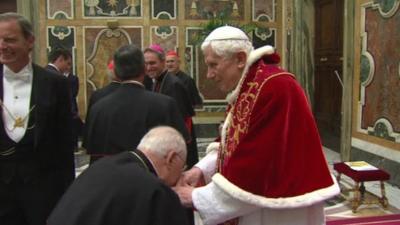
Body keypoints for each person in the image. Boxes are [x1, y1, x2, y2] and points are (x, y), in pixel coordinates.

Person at [173, 25, 340, 225]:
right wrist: (200, 169)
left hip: (279, 209)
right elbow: (234, 142)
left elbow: (256, 165)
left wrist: (197, 197)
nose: (209, 74)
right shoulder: (249, 85)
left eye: (213, 64)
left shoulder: (275, 87)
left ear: (240, 59)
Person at [0, 12, 75, 225]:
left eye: (10, 39)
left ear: (30, 41)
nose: (2, 45)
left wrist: (68, 192)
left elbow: (65, 143)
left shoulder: (55, 83)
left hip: (42, 188)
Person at [48, 126, 189, 225]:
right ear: (171, 158)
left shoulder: (103, 166)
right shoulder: (155, 192)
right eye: (183, 168)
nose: (180, 175)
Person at [84, 44, 189, 163]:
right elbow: (179, 147)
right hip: (151, 178)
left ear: (116, 73)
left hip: (111, 178)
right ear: (144, 69)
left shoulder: (98, 108)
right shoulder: (165, 104)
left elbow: (92, 151)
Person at [144, 44, 198, 168]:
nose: (148, 67)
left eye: (152, 63)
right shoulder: (156, 81)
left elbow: (182, 121)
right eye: (146, 64)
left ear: (163, 62)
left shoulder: (174, 85)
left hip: (174, 148)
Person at [46, 48, 82, 150]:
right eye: (67, 63)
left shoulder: (41, 74)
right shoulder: (59, 79)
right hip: (58, 128)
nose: (68, 67)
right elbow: (67, 103)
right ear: (60, 59)